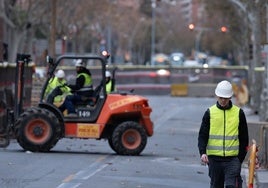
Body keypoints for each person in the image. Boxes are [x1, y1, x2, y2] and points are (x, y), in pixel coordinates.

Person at [198, 80, 249, 188]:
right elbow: (203, 135)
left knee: (232, 186)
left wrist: (239, 158)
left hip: (233, 160)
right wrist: (202, 152)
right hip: (214, 160)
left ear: (230, 97)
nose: (223, 100)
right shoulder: (210, 113)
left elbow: (244, 138)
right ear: (217, 96)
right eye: (221, 97)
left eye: (225, 98)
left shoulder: (238, 113)